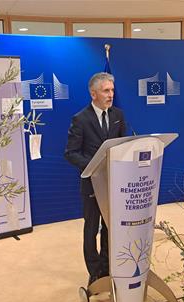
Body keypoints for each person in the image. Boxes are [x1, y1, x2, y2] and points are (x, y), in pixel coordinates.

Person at [64, 72, 127, 287]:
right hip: (91, 184)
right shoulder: (80, 119)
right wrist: (93, 166)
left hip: (114, 184)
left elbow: (123, 145)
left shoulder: (118, 115)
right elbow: (71, 152)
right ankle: (94, 272)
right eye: (106, 91)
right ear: (93, 93)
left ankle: (108, 267)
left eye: (112, 90)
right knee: (92, 228)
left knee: (110, 227)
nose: (111, 94)